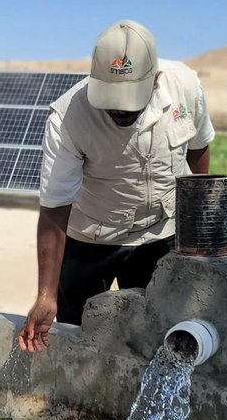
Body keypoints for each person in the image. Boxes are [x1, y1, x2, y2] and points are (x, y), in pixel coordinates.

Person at [17, 20, 215, 353]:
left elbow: (199, 148)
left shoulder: (185, 86)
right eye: (110, 97)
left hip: (160, 235)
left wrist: (197, 233)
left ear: (155, 81)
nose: (118, 109)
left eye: (129, 99)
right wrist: (46, 295)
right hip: (91, 240)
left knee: (158, 341)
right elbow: (54, 208)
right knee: (80, 341)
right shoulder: (68, 118)